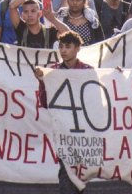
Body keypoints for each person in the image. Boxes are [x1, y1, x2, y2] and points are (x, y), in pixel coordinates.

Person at [32, 30, 91, 194]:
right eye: (61, 46)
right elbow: (45, 103)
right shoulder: (52, 72)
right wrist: (42, 82)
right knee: (67, 172)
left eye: (68, 46)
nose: (63, 50)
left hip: (85, 132)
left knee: (80, 174)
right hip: (64, 132)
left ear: (78, 48)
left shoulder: (88, 71)